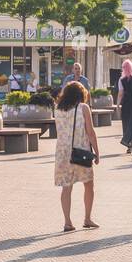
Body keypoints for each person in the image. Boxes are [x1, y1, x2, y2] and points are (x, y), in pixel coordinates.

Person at [54, 81, 100, 231]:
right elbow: (91, 132)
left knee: (66, 188)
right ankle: (87, 218)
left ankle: (67, 222)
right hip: (81, 152)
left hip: (62, 153)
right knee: (88, 184)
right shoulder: (83, 108)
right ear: (81, 94)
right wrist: (97, 152)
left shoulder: (58, 109)